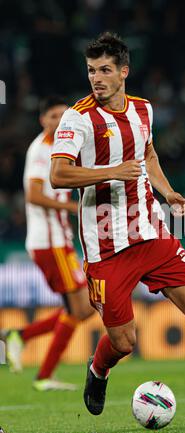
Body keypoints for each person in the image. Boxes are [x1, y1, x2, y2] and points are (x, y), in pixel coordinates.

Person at [50, 32, 185, 433]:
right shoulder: (77, 118)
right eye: (90, 71)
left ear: (124, 72)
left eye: (104, 70)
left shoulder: (143, 110)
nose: (96, 78)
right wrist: (110, 172)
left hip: (151, 231)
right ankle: (98, 369)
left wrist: (167, 191)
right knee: (124, 342)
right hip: (107, 248)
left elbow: (147, 154)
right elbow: (59, 173)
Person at [1, 96, 95, 391]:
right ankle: (42, 373)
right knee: (81, 307)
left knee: (81, 307)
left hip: (58, 241)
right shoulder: (40, 151)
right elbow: (33, 196)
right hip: (48, 242)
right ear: (43, 119)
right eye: (53, 115)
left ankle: (20, 337)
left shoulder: (60, 146)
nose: (58, 120)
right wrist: (73, 209)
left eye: (63, 115)